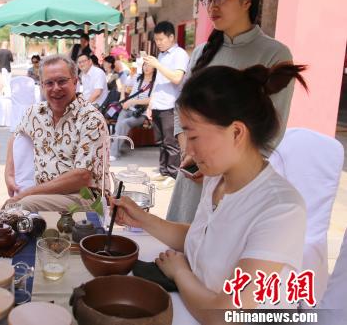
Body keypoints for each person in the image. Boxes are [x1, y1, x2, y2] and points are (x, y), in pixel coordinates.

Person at [112, 63, 307, 322]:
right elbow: (201, 239)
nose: (189, 151)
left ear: (236, 132)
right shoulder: (216, 179)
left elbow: (224, 315)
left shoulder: (281, 210)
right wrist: (142, 219)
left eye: (193, 137)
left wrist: (180, 273)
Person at [167, 0, 297, 223]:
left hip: (234, 184)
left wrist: (221, 167)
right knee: (178, 246)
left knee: (217, 255)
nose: (212, 5)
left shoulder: (274, 54)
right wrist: (190, 151)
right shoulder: (203, 52)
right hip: (193, 173)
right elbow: (181, 109)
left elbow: (273, 130)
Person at [4, 54, 109, 212]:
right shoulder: (35, 113)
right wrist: (9, 173)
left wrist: (25, 195)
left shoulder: (91, 118)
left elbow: (82, 177)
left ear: (75, 82)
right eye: (49, 83)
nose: (56, 88)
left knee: (21, 206)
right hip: (44, 196)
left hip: (85, 198)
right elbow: (16, 136)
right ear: (42, 86)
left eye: (62, 81)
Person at [143, 21, 189, 189]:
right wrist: (150, 104)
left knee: (171, 142)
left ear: (171, 37)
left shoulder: (180, 54)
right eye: (156, 40)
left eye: (161, 39)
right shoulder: (161, 56)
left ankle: (173, 173)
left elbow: (177, 78)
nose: (159, 43)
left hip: (171, 104)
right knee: (161, 141)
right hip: (158, 104)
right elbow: (158, 82)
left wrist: (157, 65)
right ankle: (164, 171)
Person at [110, 62, 155, 161]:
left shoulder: (155, 82)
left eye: (149, 65)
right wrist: (122, 98)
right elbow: (124, 85)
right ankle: (114, 151)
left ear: (155, 68)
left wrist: (132, 101)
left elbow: (151, 99)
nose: (146, 67)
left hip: (141, 113)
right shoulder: (137, 77)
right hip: (127, 109)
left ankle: (113, 153)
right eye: (145, 65)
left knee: (124, 123)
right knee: (119, 126)